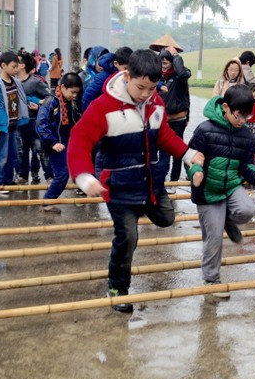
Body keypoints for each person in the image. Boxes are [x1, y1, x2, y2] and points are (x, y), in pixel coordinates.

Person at [67, 49, 204, 313]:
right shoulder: (103, 108)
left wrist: (187, 153)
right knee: (127, 236)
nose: (145, 94)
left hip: (149, 183)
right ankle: (118, 287)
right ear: (127, 75)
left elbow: (163, 135)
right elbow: (79, 140)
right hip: (118, 186)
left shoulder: (156, 104)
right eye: (141, 87)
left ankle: (142, 208)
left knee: (167, 218)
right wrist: (84, 176)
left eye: (152, 88)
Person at [186, 85, 255, 298]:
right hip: (208, 191)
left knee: (247, 211)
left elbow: (246, 165)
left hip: (231, 186)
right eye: (239, 115)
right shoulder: (205, 130)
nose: (243, 120)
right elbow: (190, 157)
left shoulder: (246, 135)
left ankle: (227, 220)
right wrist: (196, 173)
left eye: (248, 116)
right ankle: (211, 279)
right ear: (226, 107)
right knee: (214, 237)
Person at [37, 73, 83, 213]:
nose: (74, 95)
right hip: (55, 143)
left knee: (73, 169)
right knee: (62, 174)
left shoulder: (71, 102)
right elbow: (40, 125)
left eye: (76, 93)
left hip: (67, 141)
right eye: (72, 92)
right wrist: (52, 143)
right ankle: (47, 201)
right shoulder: (51, 102)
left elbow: (76, 120)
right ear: (63, 87)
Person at [0, 51, 29, 193]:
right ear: (3, 65)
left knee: (12, 155)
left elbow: (22, 99)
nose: (16, 70)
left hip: (13, 125)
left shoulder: (16, 82)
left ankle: (8, 181)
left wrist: (34, 103)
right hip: (1, 127)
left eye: (17, 66)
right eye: (13, 66)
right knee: (1, 156)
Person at [16, 52, 53, 186]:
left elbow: (50, 97)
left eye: (18, 61)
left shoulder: (35, 81)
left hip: (34, 122)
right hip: (20, 123)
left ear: (23, 65)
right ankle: (23, 176)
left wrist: (39, 105)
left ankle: (49, 176)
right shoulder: (13, 82)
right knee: (22, 151)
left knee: (41, 150)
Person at [158, 46, 192, 188]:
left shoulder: (179, 76)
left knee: (177, 151)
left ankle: (173, 181)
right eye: (161, 63)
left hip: (178, 118)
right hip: (163, 119)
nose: (163, 66)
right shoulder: (159, 77)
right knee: (163, 151)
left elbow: (183, 73)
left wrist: (176, 55)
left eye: (166, 63)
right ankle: (161, 180)